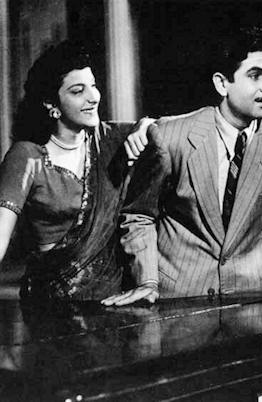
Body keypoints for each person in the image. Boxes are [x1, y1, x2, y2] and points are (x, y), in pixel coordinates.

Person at [102, 26, 262, 306]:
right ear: (222, 84)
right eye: (255, 75)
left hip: (255, 298)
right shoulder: (171, 137)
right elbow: (138, 215)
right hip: (181, 298)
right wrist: (146, 281)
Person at [0, 40, 151, 301]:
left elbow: (170, 128)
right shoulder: (28, 157)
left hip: (113, 302)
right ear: (51, 104)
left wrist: (147, 125)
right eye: (78, 91)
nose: (93, 97)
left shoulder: (111, 140)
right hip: (51, 305)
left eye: (93, 85)